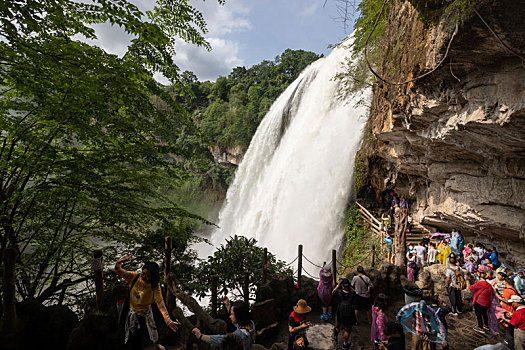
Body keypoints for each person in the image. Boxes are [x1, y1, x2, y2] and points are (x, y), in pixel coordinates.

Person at [114, 255, 180, 349]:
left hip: (145, 317)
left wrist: (168, 321)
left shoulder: (155, 287)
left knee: (147, 343)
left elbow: (160, 304)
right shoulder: (134, 277)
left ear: (153, 277)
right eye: (143, 273)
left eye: (148, 276)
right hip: (131, 315)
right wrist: (119, 261)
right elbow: (117, 270)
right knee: (131, 341)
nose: (144, 277)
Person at [333, 278, 357, 350]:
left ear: (342, 286)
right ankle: (345, 344)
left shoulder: (339, 292)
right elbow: (355, 292)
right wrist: (350, 287)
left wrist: (338, 285)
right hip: (349, 311)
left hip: (341, 310)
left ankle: (335, 336)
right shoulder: (352, 293)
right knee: (347, 330)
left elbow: (333, 292)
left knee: (338, 326)